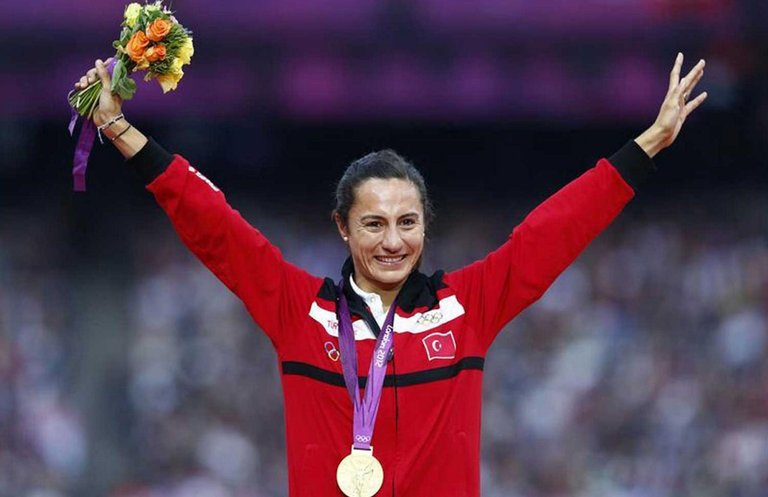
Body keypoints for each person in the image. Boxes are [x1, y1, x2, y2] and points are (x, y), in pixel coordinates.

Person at [74, 53, 706, 497]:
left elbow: (554, 232)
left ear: (426, 227)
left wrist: (648, 143)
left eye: (408, 222)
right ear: (342, 229)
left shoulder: (469, 307)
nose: (393, 240)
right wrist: (119, 128)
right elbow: (215, 227)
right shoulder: (300, 311)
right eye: (373, 224)